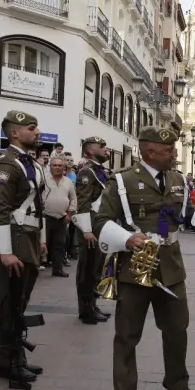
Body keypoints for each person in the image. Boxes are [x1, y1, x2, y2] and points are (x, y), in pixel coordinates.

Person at [92, 125, 195, 390]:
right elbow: (102, 220)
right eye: (169, 150)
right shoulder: (122, 181)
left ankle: (178, 383)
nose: (174, 154)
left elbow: (186, 215)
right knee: (127, 335)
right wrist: (127, 238)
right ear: (150, 151)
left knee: (177, 330)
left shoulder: (177, 179)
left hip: (171, 267)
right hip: (135, 268)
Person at [0, 110, 47, 387]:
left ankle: (17, 357)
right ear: (15, 133)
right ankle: (7, 363)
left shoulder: (28, 162)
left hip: (28, 237)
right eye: (32, 128)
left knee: (20, 303)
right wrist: (4, 251)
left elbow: (37, 206)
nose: (37, 132)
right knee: (8, 304)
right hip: (13, 237)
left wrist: (40, 240)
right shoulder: (6, 164)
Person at [74, 136, 113, 324]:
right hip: (90, 227)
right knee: (87, 268)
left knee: (97, 267)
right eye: (102, 146)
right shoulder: (86, 173)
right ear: (90, 151)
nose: (106, 149)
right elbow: (82, 203)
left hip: (99, 226)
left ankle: (93, 304)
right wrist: (86, 230)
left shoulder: (100, 171)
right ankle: (86, 309)